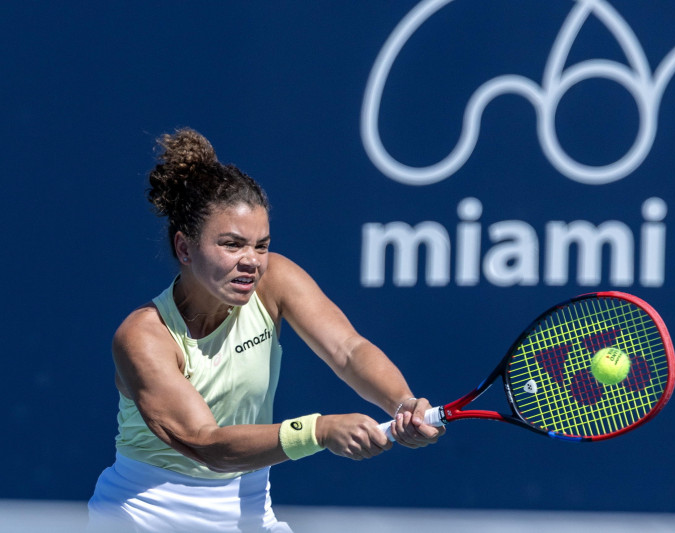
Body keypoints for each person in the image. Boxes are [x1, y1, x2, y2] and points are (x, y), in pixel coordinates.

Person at [87, 127, 444, 532]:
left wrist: (402, 402)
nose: (252, 261)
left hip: (249, 511)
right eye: (232, 244)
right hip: (144, 517)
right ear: (184, 248)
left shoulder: (274, 280)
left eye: (261, 245)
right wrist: (318, 430)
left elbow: (347, 349)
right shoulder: (142, 337)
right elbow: (206, 442)